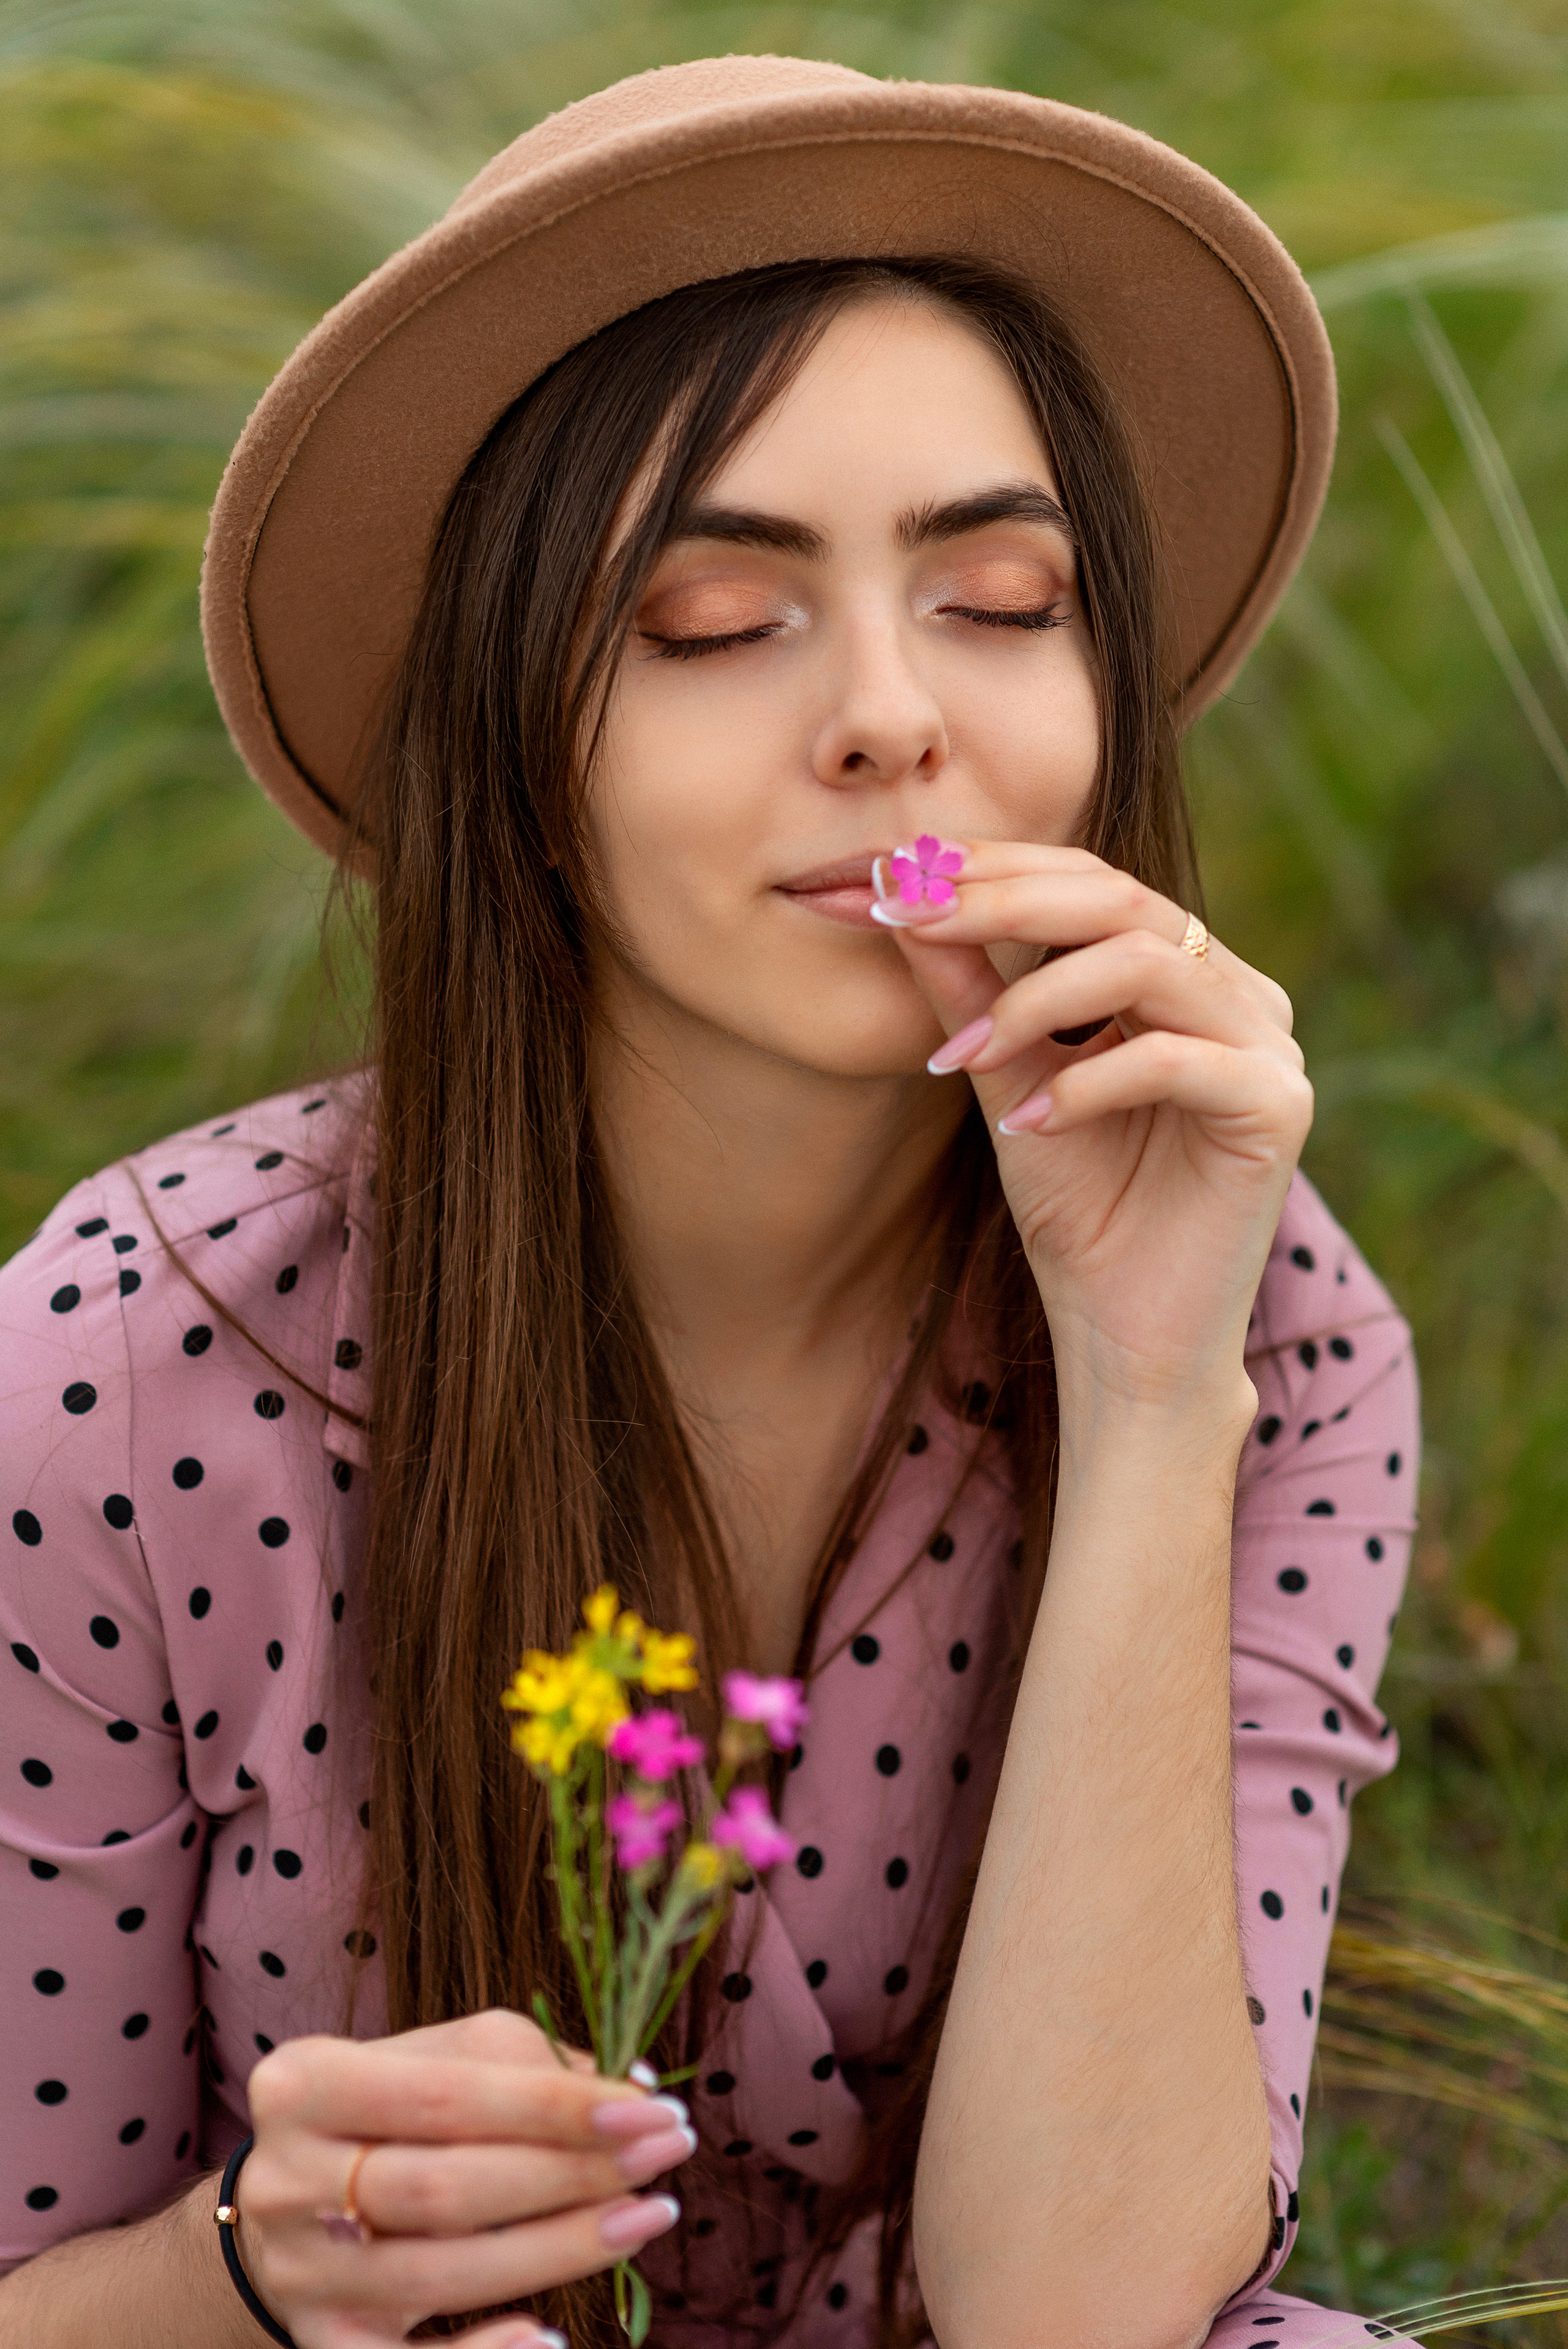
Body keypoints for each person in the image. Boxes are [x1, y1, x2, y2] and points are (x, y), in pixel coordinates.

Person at [0, 54, 1420, 2349]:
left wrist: (1157, 1390)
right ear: (516, 755)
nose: (887, 717)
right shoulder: (121, 1374)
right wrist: (260, 2268)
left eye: (1001, 594)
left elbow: (1091, 2314)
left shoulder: (1278, 1332)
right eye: (708, 621)